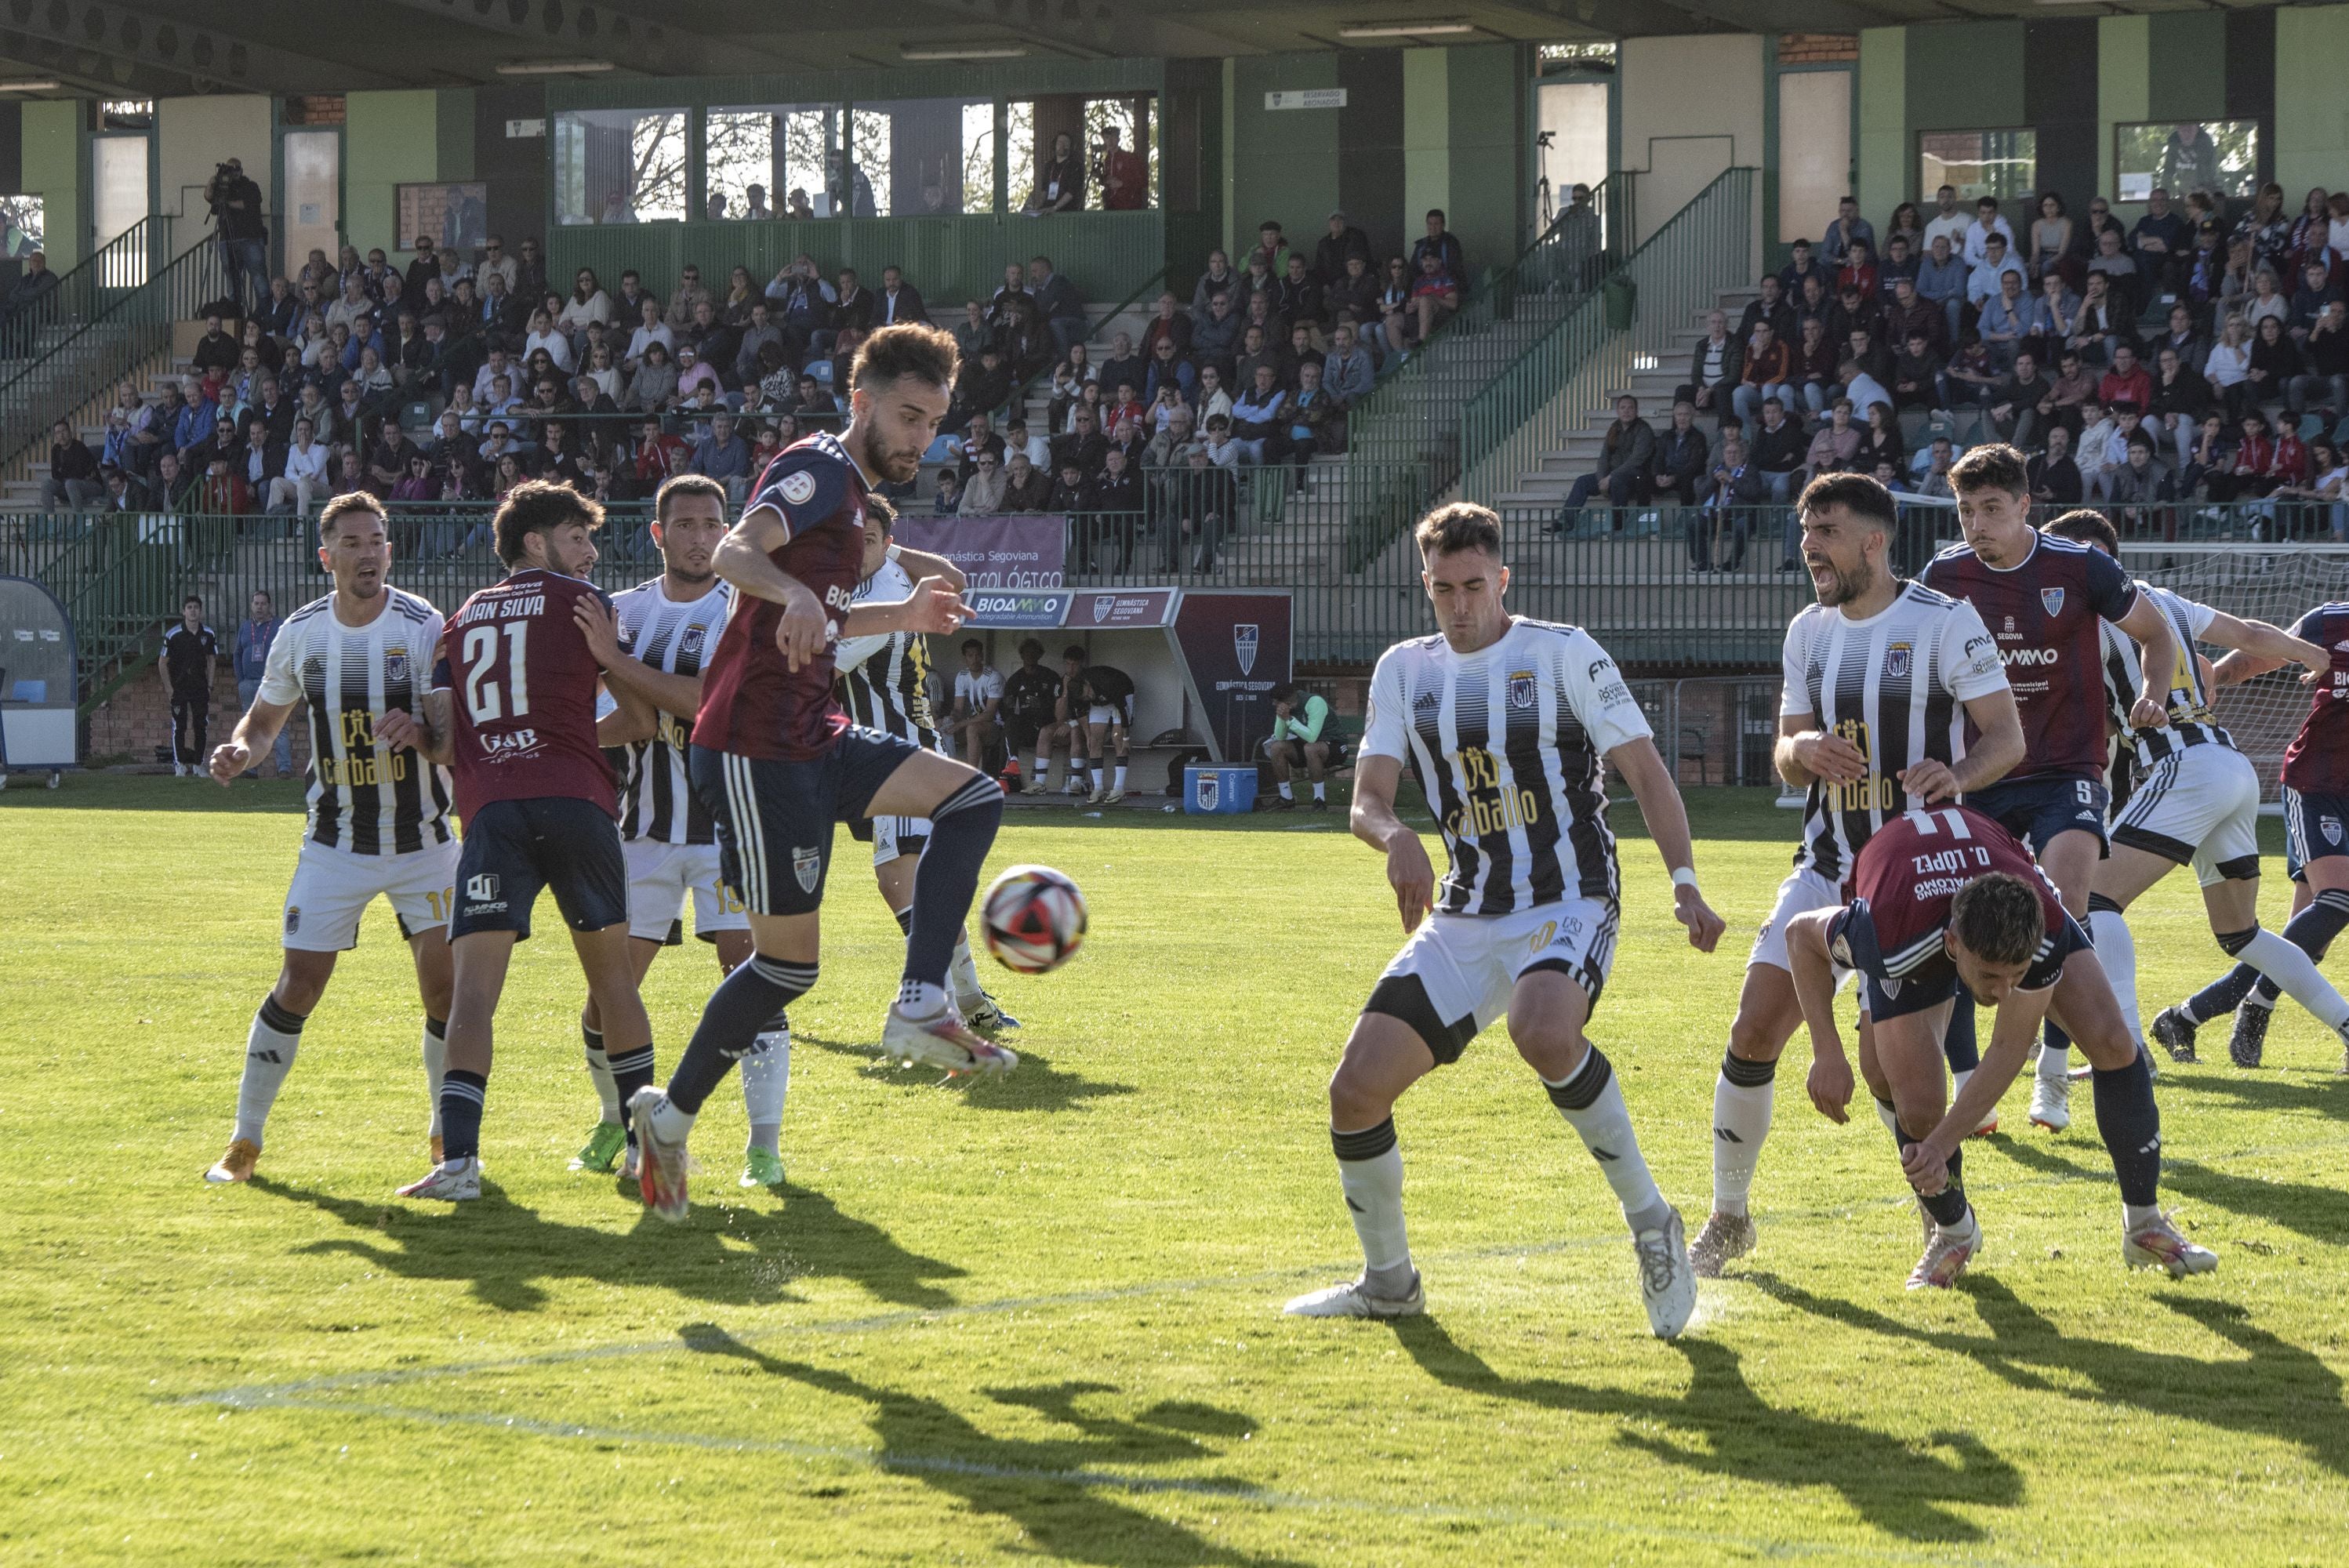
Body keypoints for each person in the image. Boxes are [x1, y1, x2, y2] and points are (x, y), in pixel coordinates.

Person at [1282, 501, 1723, 1331]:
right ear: (1424, 584)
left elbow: (1645, 770)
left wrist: (1685, 880)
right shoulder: (1401, 671)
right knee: (1354, 1090)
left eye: (1473, 586)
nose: (1458, 604)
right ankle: (1387, 1283)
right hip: (1465, 909)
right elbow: (1366, 800)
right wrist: (1394, 838)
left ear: (1502, 579)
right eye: (1442, 588)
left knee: (1544, 1030)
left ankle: (1649, 1221)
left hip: (1568, 894)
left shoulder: (1562, 653)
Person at [626, 322, 1014, 1222]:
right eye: (907, 416)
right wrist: (792, 588)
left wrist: (902, 612)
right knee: (786, 971)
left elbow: (814, 630)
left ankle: (919, 999)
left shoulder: (854, 503)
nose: (920, 438)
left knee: (971, 795)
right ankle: (671, 1118)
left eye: (933, 423)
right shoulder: (820, 469)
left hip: (814, 727)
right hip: (758, 748)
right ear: (860, 401)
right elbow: (732, 552)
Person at [1689, 474, 2022, 1276]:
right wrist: (1798, 752)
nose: (1809, 545)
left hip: (1916, 879)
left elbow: (2005, 738)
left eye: (1825, 531)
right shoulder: (1807, 628)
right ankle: (1728, 1217)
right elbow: (1784, 744)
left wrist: (1956, 775)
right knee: (1751, 1028)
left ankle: (1945, 1222)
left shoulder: (1944, 623)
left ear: (1873, 540)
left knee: (1898, 1078)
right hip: (1826, 863)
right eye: (1805, 531)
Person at [1783, 804, 2215, 1287]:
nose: (2004, 991)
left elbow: (2009, 1047)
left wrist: (1942, 1144)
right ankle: (1955, 1231)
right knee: (1916, 1106)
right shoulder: (1886, 931)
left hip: (1995, 863)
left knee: (2113, 1041)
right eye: (1990, 976)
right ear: (1953, 946)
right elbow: (1799, 937)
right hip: (1906, 892)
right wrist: (1826, 1050)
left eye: (2018, 974)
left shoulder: (2043, 922)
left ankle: (2144, 1223)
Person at [378, 482, 656, 1201]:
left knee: (471, 997)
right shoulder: (583, 606)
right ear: (536, 542)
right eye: (577, 537)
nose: (591, 552)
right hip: (574, 802)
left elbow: (441, 744)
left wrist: (436, 737)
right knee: (613, 983)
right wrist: (563, 742)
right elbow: (642, 719)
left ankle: (460, 1165)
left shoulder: (462, 618)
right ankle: (643, 1150)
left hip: (493, 809)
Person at [2014, 513, 2349, 1068]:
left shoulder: (2082, 620)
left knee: (2093, 899)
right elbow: (2249, 634)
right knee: (2242, 933)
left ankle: (2129, 1047)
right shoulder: (2160, 599)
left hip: (2184, 767)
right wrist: (2307, 652)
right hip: (2230, 764)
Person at [1917, 445, 2180, 1131]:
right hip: (1978, 775)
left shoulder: (2080, 566)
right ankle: (1970, 1080)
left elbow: (2157, 636)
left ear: (2026, 507)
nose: (1977, 524)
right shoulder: (1944, 576)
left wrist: (2154, 695)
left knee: (2062, 906)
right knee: (1957, 922)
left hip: (2067, 772)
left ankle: (2051, 1078)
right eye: (1965, 511)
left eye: (1992, 510)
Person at [198, 494, 459, 1183]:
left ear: (390, 552)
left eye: (377, 541)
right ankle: (244, 1143)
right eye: (352, 542)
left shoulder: (422, 626)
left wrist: (422, 735)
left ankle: (444, 1138)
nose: (367, 553)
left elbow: (451, 740)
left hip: (425, 841)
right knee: (298, 985)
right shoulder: (302, 633)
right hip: (335, 842)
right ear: (327, 557)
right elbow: (260, 725)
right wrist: (237, 751)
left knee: (445, 993)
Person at [546, 474, 783, 1185]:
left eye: (713, 524)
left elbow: (703, 704)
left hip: (729, 829)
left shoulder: (743, 609)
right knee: (604, 999)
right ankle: (616, 1121)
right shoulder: (618, 610)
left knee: (755, 982)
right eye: (685, 525)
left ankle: (763, 1147)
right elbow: (584, 711)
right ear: (658, 535)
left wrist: (618, 666)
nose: (701, 537)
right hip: (637, 833)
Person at [833, 501, 1011, 1033]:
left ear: (884, 545)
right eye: (849, 538)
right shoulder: (890, 573)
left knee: (899, 880)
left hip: (898, 749)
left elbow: (815, 662)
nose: (855, 550)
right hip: (868, 753)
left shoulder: (884, 597)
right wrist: (887, 547)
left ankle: (945, 998)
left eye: (867, 540)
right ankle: (964, 998)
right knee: (915, 882)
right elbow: (953, 574)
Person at [1552, 394, 1654, 534]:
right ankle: (1565, 523)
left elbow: (1636, 460)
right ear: (1617, 411)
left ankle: (1619, 526)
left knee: (1618, 480)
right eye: (1623, 408)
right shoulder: (1614, 429)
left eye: (1631, 408)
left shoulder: (1644, 430)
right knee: (1583, 482)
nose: (1627, 411)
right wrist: (1601, 480)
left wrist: (1610, 478)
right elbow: (1604, 457)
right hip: (1611, 477)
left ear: (1637, 411)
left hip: (1635, 478)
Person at [229, 590, 294, 779]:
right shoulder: (245, 627)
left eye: (263, 604)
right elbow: (238, 654)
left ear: (269, 606)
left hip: (272, 684)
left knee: (279, 727)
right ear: (251, 606)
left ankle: (284, 769)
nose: (259, 607)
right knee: (248, 728)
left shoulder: (279, 626)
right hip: (248, 685)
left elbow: (287, 652)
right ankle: (249, 769)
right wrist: (241, 680)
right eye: (256, 603)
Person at [160, 597, 219, 779]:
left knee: (201, 725)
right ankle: (180, 764)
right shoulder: (173, 635)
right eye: (189, 607)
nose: (193, 611)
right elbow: (162, 663)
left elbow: (212, 660)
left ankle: (199, 764)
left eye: (196, 608)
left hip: (200, 688)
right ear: (184, 611)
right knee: (180, 726)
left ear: (200, 611)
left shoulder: (208, 634)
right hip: (179, 688)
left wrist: (209, 684)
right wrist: (169, 688)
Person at [1262, 680, 1340, 811]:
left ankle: (1319, 800)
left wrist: (1289, 719)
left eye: (1276, 702)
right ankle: (1286, 798)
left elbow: (1312, 737)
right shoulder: (1286, 708)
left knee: (1310, 748)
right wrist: (1282, 717)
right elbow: (1280, 737)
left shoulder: (1315, 702)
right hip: (1307, 748)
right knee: (1277, 747)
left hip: (1334, 746)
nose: (1273, 704)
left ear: (1286, 701)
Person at [206, 158, 268, 314]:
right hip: (227, 239)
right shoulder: (222, 188)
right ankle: (235, 314)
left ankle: (265, 315)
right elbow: (209, 198)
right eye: (229, 168)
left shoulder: (250, 186)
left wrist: (226, 203)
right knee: (231, 278)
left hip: (250, 239)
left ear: (241, 170)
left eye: (235, 168)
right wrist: (213, 181)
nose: (232, 172)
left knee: (258, 277)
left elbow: (248, 204)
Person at [945, 638, 1004, 771]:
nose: (974, 659)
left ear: (982, 656)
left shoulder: (993, 677)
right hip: (973, 724)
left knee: (972, 728)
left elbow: (989, 714)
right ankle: (949, 772)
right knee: (942, 725)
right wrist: (952, 718)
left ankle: (971, 777)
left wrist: (961, 723)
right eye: (970, 656)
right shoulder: (962, 676)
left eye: (977, 655)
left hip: (996, 726)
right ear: (965, 658)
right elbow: (958, 709)